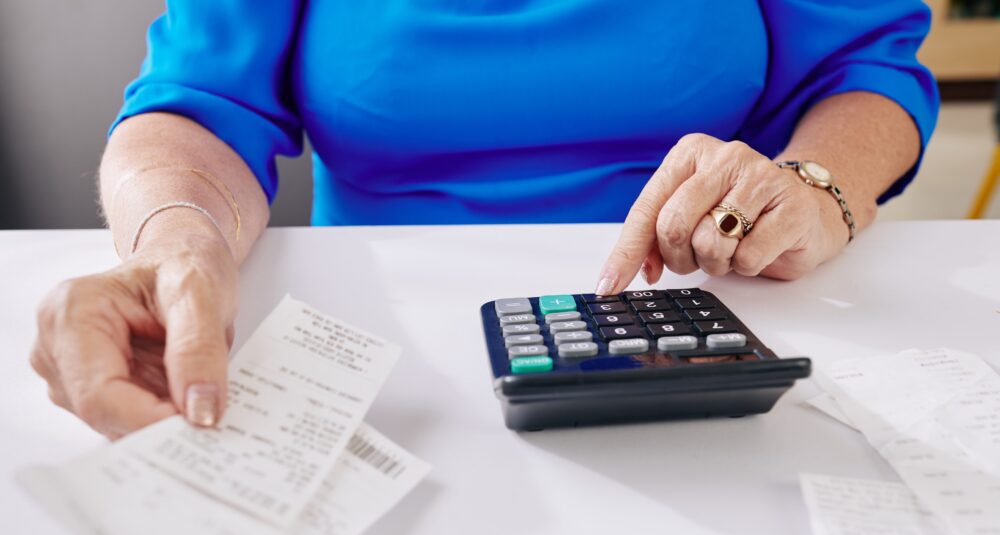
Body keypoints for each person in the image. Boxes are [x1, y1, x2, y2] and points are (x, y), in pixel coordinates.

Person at [30, 1, 939, 439]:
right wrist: (178, 239)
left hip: (724, 326)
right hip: (387, 356)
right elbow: (195, 105)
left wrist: (819, 185)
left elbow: (865, 66)